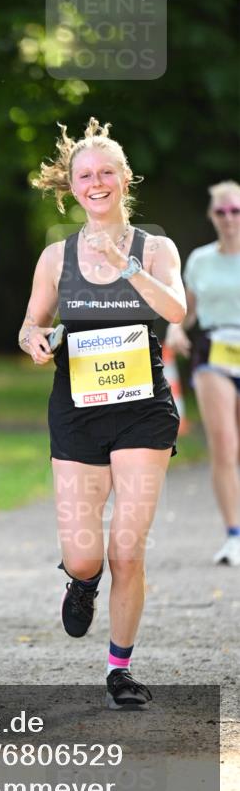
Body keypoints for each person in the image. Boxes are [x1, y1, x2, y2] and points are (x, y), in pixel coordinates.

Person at [19, 118, 186, 710]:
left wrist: (128, 264)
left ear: (124, 180)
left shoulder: (156, 248)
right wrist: (33, 340)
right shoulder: (54, 256)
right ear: (71, 186)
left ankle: (120, 667)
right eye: (85, 175)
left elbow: (176, 310)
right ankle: (81, 581)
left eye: (106, 173)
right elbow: (31, 323)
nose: (96, 183)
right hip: (77, 411)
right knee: (88, 553)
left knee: (128, 548)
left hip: (144, 411)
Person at [166, 180, 240, 567]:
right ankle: (233, 535)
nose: (229, 219)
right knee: (225, 445)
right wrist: (176, 329)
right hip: (215, 352)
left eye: (235, 211)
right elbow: (185, 310)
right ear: (212, 216)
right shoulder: (200, 260)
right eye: (221, 212)